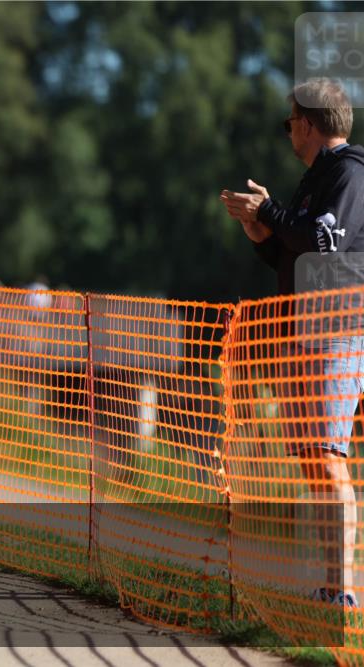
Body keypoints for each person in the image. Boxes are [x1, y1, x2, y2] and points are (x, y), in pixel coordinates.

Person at [221, 78, 364, 607]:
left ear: (307, 123)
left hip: (336, 329)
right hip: (304, 330)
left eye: (289, 124)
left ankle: (341, 590)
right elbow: (295, 251)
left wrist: (269, 213)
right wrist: (262, 233)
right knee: (311, 456)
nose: (287, 135)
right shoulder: (317, 179)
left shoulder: (349, 172)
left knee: (327, 455)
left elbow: (323, 242)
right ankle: (332, 583)